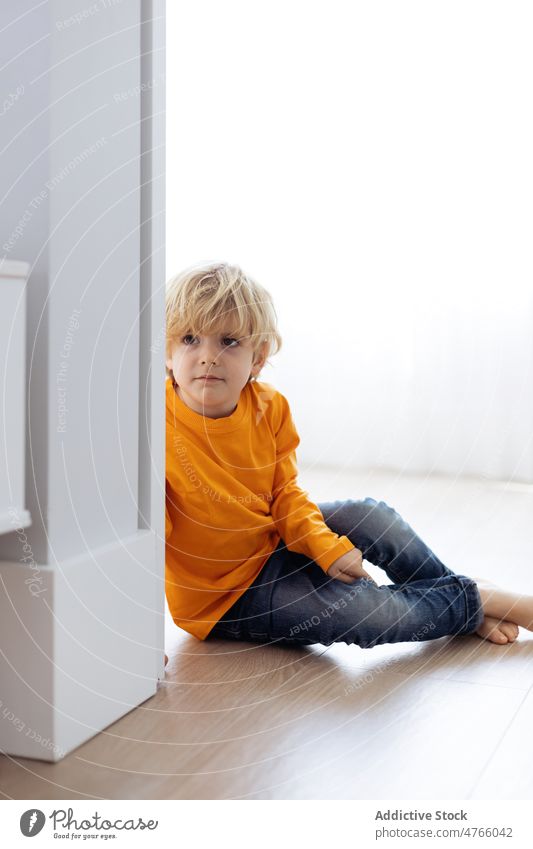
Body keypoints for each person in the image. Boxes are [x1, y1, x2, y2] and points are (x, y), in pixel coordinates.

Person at [164, 261, 532, 649]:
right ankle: (479, 598)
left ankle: (460, 600)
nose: (208, 356)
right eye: (190, 339)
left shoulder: (269, 406)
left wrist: (325, 546)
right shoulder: (153, 427)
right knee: (364, 613)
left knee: (371, 516)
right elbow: (145, 540)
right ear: (168, 353)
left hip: (272, 541)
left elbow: (285, 495)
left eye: (229, 341)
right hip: (227, 600)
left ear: (258, 357)